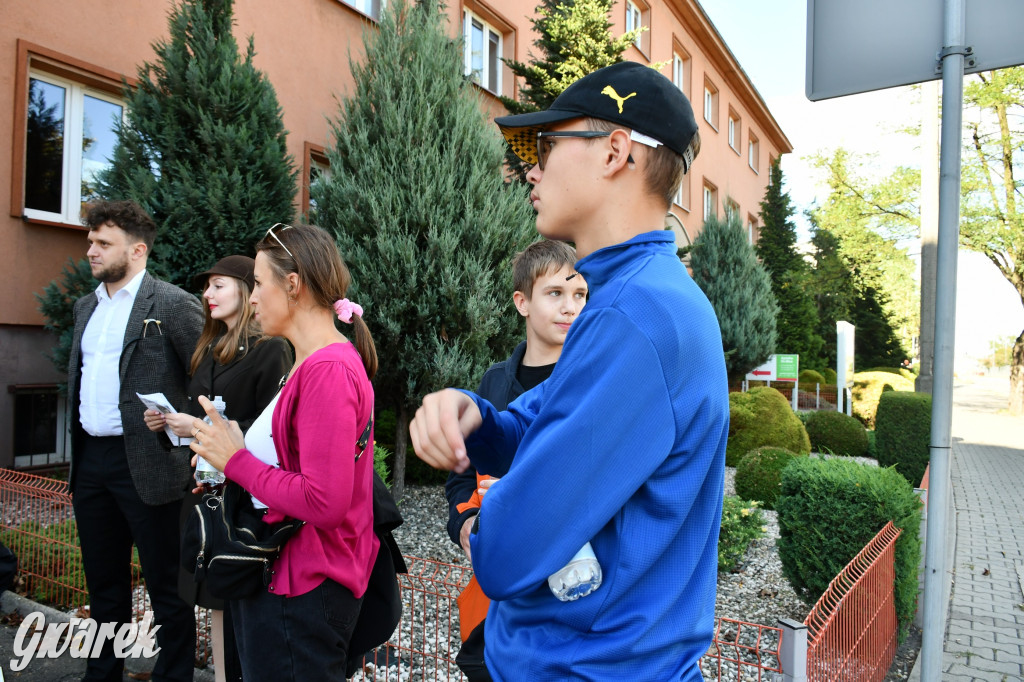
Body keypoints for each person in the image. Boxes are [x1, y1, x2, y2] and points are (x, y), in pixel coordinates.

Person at [410, 61, 729, 681]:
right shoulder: (631, 298)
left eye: (549, 145)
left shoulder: (637, 316)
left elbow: (506, 556)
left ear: (614, 151)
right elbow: (545, 420)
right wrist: (477, 416)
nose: (532, 167)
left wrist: (478, 529)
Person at [188, 223, 379, 681]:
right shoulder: (312, 361)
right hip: (297, 582)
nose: (252, 297)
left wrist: (237, 462)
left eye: (257, 282)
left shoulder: (326, 369)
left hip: (304, 587)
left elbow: (324, 501)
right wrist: (228, 458)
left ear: (292, 285)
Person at [67, 199, 202, 682]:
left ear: (138, 250)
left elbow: (205, 381)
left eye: (104, 243)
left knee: (168, 589)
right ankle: (101, 676)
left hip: (150, 463)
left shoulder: (169, 304)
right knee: (103, 587)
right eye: (91, 242)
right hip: (91, 463)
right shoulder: (87, 306)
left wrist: (186, 432)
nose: (91, 251)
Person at [143, 254, 290, 682]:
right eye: (207, 287)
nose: (207, 294)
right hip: (207, 499)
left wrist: (204, 429)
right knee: (217, 610)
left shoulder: (272, 351)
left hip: (244, 505)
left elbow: (275, 432)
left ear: (247, 291)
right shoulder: (209, 350)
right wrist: (170, 426)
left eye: (218, 285)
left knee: (242, 611)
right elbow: (198, 429)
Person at [445, 240, 586, 678]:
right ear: (521, 302)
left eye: (580, 294)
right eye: (555, 294)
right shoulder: (493, 383)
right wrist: (464, 524)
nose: (570, 308)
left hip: (568, 597)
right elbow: (460, 475)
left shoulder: (590, 381)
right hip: (495, 593)